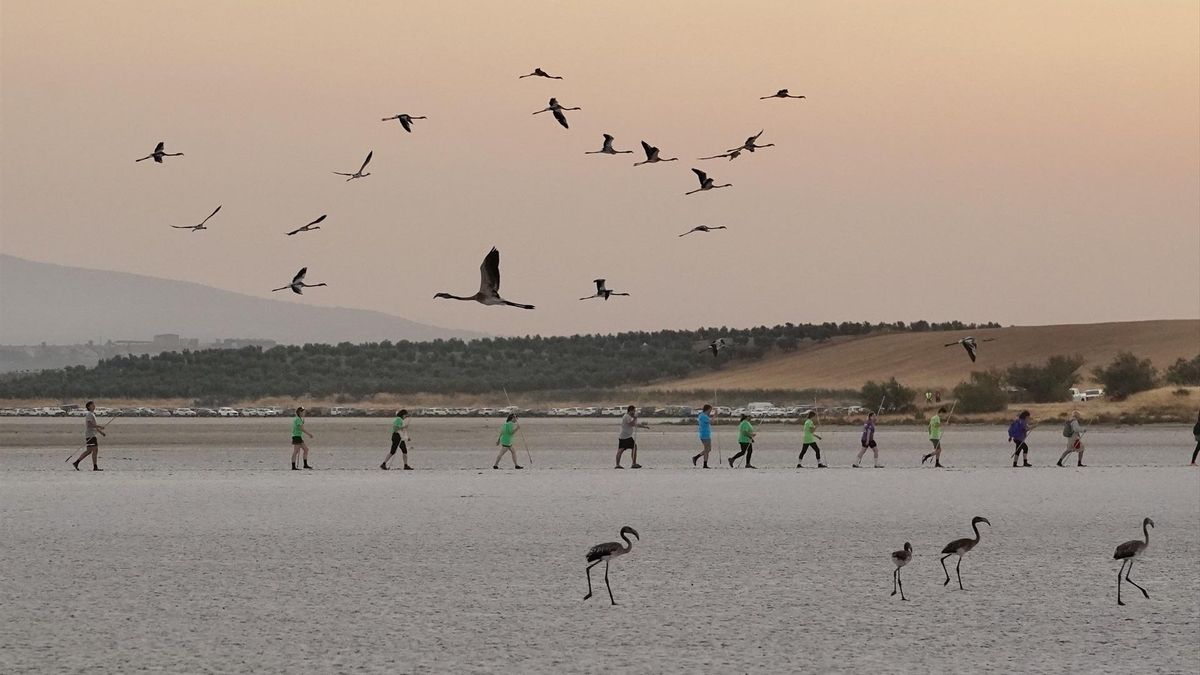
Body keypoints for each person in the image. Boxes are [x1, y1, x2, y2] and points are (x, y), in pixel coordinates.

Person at [72, 400, 106, 471]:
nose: (94, 406)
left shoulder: (92, 414)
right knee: (95, 450)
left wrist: (101, 432)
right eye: (92, 405)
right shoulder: (89, 414)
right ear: (89, 407)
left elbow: (94, 426)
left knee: (89, 450)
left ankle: (76, 462)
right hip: (90, 435)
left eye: (94, 405)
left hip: (92, 434)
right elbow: (90, 424)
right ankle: (95, 467)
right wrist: (100, 426)